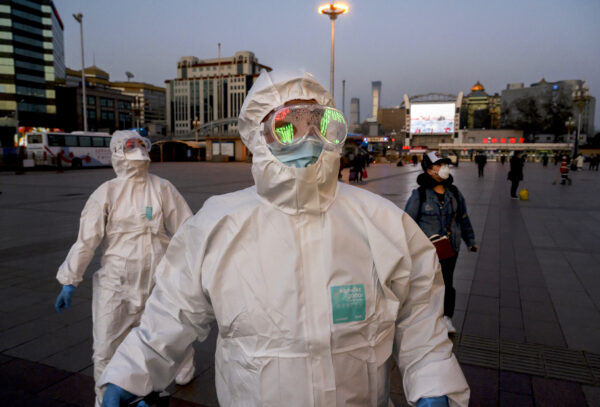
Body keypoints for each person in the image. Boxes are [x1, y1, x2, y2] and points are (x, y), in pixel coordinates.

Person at [99, 71, 469, 407]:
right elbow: (169, 316)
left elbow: (421, 319)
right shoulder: (217, 225)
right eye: (288, 126)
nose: (308, 136)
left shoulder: (384, 223)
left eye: (319, 123)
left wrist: (434, 382)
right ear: (259, 134)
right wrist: (132, 373)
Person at [54, 130, 196, 407]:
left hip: (158, 275)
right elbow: (87, 239)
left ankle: (176, 372)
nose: (137, 150)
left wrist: (193, 268)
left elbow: (187, 228)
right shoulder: (106, 193)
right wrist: (70, 279)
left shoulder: (162, 188)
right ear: (118, 151)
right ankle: (103, 397)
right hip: (116, 281)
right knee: (106, 344)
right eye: (131, 145)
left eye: (141, 144)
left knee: (166, 333)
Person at [404, 151, 477, 334]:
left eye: (444, 164)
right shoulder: (419, 195)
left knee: (447, 282)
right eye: (438, 165)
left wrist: (470, 240)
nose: (443, 168)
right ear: (429, 170)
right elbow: (407, 222)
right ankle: (425, 317)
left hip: (450, 247)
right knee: (426, 283)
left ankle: (446, 318)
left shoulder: (454, 193)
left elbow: (463, 217)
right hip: (427, 249)